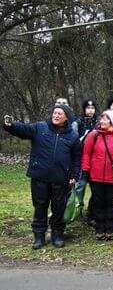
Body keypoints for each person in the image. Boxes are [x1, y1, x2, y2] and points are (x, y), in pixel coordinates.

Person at [3, 103, 81, 249]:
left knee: (59, 208)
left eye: (59, 114)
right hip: (40, 177)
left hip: (61, 179)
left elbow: (77, 158)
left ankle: (57, 235)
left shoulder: (73, 136)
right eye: (55, 113)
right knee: (40, 206)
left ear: (66, 118)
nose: (56, 115)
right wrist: (10, 125)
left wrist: (74, 175)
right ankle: (39, 236)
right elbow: (22, 129)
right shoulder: (40, 127)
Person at [80, 110, 113, 240]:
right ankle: (99, 228)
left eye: (105, 119)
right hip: (95, 176)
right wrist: (85, 169)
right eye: (102, 119)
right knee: (98, 202)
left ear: (112, 121)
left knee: (112, 203)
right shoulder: (94, 135)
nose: (102, 121)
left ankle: (110, 228)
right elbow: (86, 153)